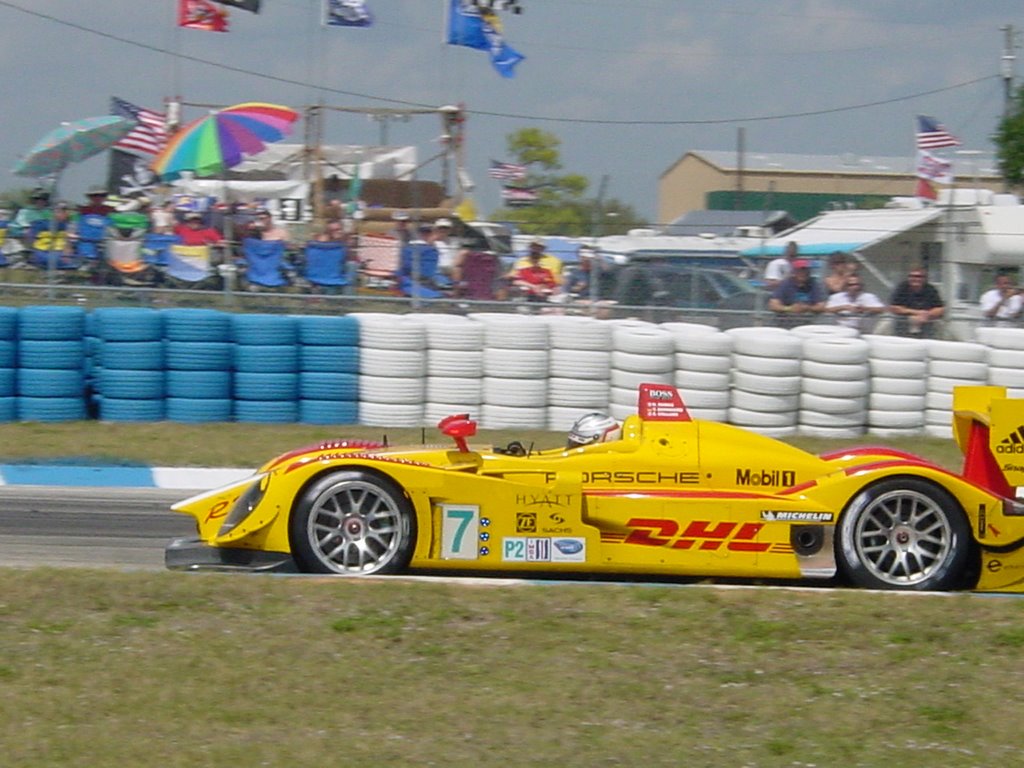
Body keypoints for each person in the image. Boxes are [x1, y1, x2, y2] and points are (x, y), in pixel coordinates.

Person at [767, 258, 826, 326]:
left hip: (807, 324)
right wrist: (790, 308)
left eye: (805, 270)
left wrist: (807, 308)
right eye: (800, 270)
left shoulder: (814, 284)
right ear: (794, 272)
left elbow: (821, 306)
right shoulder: (786, 284)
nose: (803, 273)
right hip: (786, 323)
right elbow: (773, 305)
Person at [889, 267, 945, 337]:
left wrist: (927, 314)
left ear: (924, 278)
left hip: (926, 322)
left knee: (941, 327)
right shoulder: (902, 287)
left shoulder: (930, 289)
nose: (915, 279)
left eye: (919, 276)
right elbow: (894, 307)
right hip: (903, 323)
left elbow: (940, 309)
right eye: (911, 276)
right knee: (884, 324)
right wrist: (916, 313)